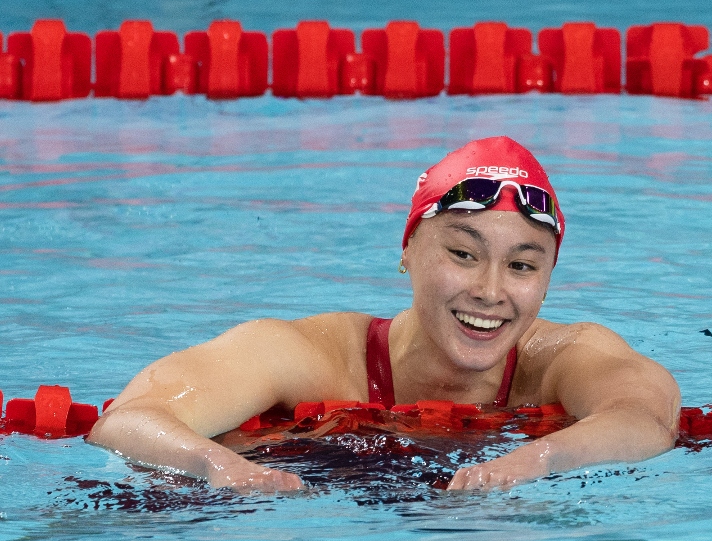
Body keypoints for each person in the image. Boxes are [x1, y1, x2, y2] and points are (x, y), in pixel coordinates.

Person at [88, 136, 680, 492]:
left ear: (547, 280)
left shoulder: (565, 359)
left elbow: (648, 419)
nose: (490, 291)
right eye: (463, 254)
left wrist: (533, 461)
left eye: (522, 266)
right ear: (408, 251)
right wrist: (219, 467)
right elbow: (128, 420)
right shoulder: (312, 356)